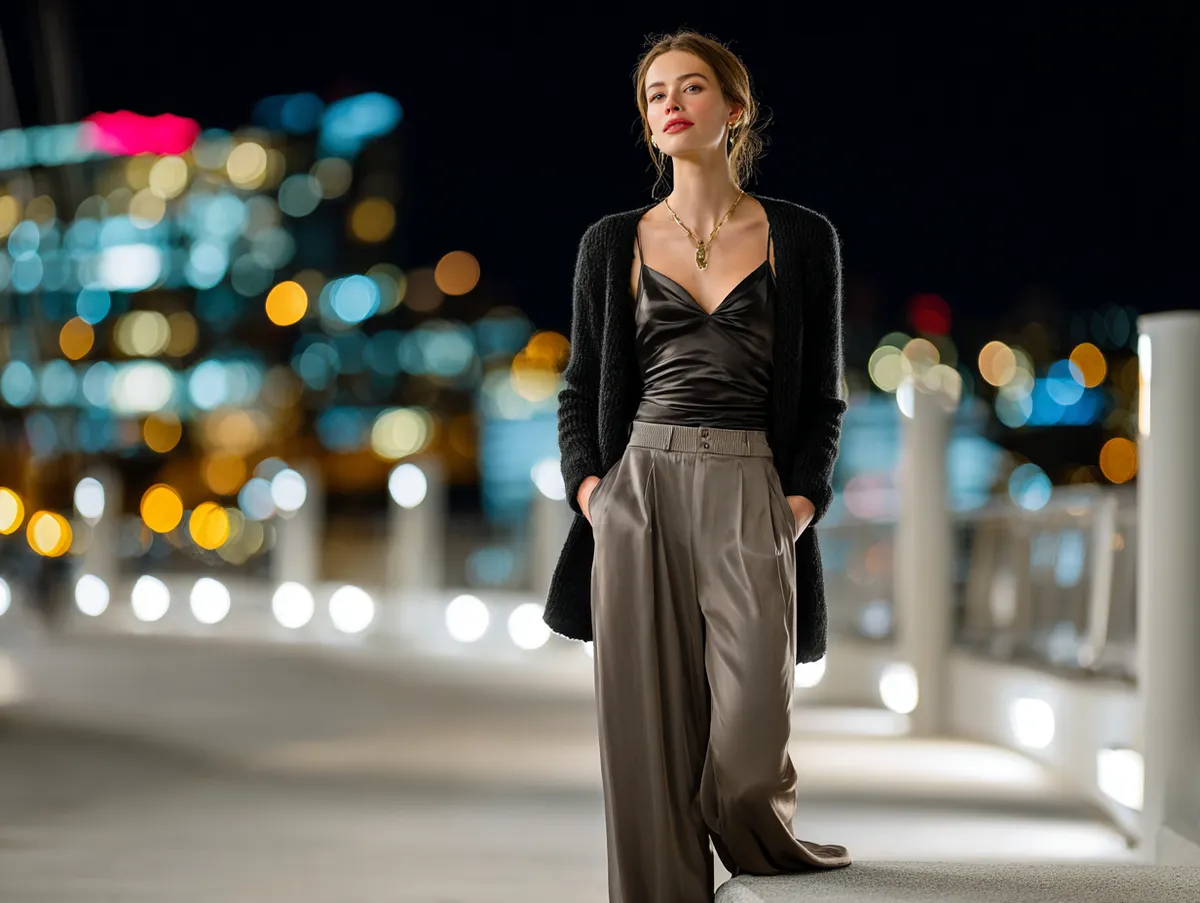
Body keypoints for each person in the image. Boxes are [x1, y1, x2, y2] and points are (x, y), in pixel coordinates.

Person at [543, 29, 853, 903]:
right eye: (653, 95)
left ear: (735, 109)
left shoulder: (802, 237)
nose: (670, 104)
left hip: (753, 491)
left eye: (691, 88)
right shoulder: (612, 242)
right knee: (646, 751)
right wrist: (593, 492)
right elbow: (580, 389)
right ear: (647, 123)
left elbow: (823, 401)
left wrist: (799, 503)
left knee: (749, 747)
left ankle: (756, 834)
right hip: (639, 491)